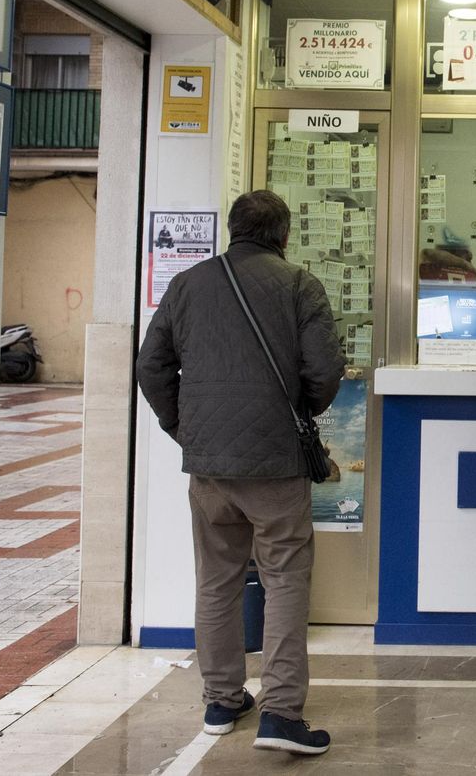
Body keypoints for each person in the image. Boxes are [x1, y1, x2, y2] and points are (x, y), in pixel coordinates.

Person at [137, 190, 345, 757]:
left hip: (208, 468)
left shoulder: (188, 285)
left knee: (217, 579)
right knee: (283, 579)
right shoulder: (300, 285)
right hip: (276, 465)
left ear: (233, 231)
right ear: (284, 235)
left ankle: (222, 698)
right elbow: (325, 371)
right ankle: (280, 713)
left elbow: (150, 366)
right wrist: (296, 415)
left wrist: (185, 427)